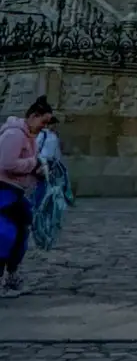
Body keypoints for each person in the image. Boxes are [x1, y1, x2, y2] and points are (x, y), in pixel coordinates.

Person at [0, 96, 53, 295]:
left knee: (20, 231)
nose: (44, 127)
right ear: (33, 116)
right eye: (43, 121)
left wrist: (37, 170)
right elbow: (6, 163)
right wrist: (33, 164)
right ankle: (7, 276)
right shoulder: (14, 135)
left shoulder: (28, 137)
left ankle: (11, 275)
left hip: (15, 191)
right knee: (6, 234)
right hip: (4, 190)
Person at [31, 111, 74, 251]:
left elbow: (56, 153)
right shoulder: (42, 135)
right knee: (42, 191)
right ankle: (37, 211)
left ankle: (47, 213)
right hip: (43, 165)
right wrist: (39, 164)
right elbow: (36, 150)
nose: (55, 126)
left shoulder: (54, 136)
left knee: (53, 192)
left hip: (52, 166)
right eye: (53, 124)